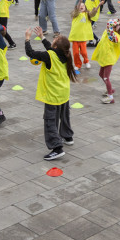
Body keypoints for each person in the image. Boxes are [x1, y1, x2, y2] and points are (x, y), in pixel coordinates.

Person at [25, 26, 77, 160]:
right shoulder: (66, 54)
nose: (54, 38)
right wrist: (42, 37)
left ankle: (57, 148)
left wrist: (27, 39)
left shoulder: (49, 56)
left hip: (53, 95)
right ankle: (68, 137)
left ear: (56, 45)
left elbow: (30, 53)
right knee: (64, 116)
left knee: (50, 121)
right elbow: (51, 49)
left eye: (56, 39)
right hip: (64, 93)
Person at [94, 19, 120, 104]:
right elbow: (108, 29)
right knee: (101, 74)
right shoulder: (108, 32)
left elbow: (111, 32)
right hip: (105, 58)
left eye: (113, 27)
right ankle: (110, 90)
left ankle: (110, 97)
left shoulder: (116, 37)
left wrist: (115, 24)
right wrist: (117, 22)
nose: (110, 28)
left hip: (109, 59)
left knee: (106, 77)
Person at [68, 0, 98, 70]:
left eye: (83, 6)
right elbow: (76, 11)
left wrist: (97, 6)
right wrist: (79, 2)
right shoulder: (74, 14)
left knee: (84, 52)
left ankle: (86, 61)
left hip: (83, 37)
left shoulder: (87, 14)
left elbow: (92, 13)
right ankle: (77, 64)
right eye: (80, 6)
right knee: (75, 53)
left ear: (85, 8)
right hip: (75, 37)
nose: (81, 7)